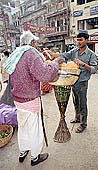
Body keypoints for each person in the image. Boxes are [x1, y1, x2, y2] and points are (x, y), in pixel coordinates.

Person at [3, 31, 64, 166]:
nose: (35, 45)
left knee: (23, 127)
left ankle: (22, 152)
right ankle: (35, 157)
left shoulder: (15, 54)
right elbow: (45, 75)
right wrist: (56, 62)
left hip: (18, 99)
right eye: (34, 43)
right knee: (35, 129)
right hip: (29, 99)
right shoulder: (30, 53)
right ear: (31, 42)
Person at [44, 30, 97, 133]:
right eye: (77, 40)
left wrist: (83, 64)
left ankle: (83, 124)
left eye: (81, 40)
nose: (79, 42)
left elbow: (94, 69)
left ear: (86, 40)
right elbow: (64, 55)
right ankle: (77, 118)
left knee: (82, 103)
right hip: (73, 81)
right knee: (75, 102)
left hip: (82, 82)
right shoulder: (74, 51)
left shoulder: (91, 54)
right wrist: (52, 55)